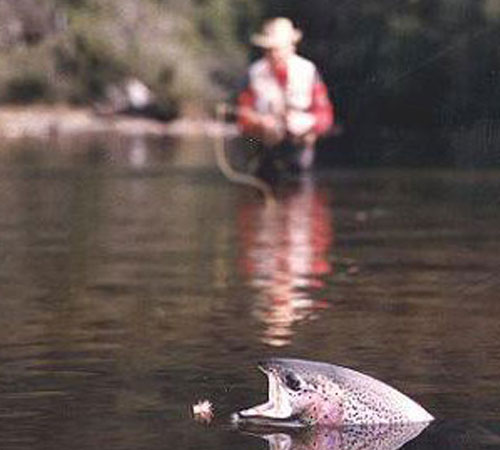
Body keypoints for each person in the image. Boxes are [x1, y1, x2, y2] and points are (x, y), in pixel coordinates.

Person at [237, 17, 334, 174]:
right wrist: (258, 122)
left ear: (291, 47)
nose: (273, 54)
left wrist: (308, 121)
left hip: (299, 144)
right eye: (268, 49)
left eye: (277, 48)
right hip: (262, 144)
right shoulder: (253, 73)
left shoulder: (308, 70)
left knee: (300, 182)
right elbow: (242, 116)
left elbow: (326, 116)